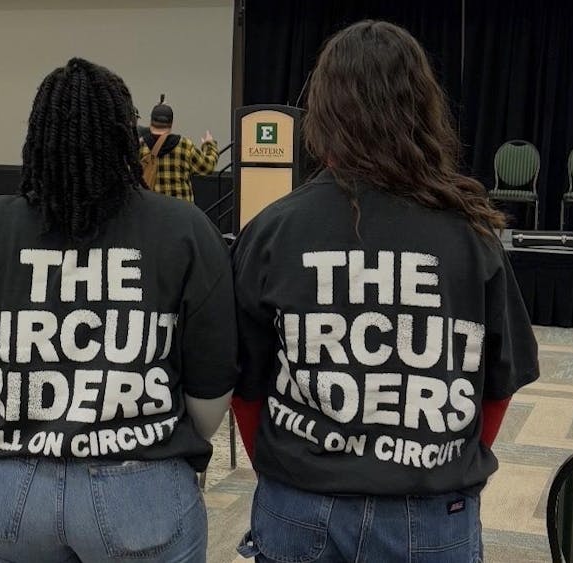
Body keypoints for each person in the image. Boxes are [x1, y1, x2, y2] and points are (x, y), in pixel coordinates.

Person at [231, 21, 539, 563]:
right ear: (421, 110)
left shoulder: (273, 230)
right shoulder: (470, 235)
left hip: (300, 504)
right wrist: (448, 464)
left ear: (322, 112)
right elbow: (500, 384)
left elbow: (244, 387)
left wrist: (288, 470)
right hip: (432, 513)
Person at [0, 58, 237, 563]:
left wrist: (19, 415)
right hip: (140, 485)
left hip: (9, 486)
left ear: (38, 137)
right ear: (123, 136)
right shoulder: (185, 229)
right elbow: (211, 392)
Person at [138, 96, 219, 203]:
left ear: (151, 121)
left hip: (151, 211)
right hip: (181, 212)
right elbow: (207, 167)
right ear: (171, 124)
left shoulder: (139, 145)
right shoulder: (185, 145)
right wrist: (209, 145)